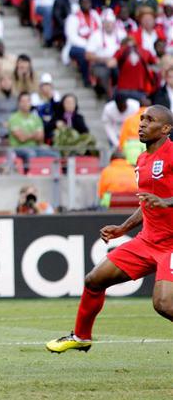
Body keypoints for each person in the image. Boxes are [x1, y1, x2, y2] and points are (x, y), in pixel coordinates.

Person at [46, 106, 173, 354]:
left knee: (164, 304)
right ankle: (81, 336)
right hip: (148, 241)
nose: (142, 123)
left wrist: (167, 202)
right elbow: (147, 203)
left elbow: (162, 200)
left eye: (150, 120)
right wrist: (123, 227)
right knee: (94, 280)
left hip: (171, 244)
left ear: (166, 129)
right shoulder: (142, 160)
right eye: (142, 119)